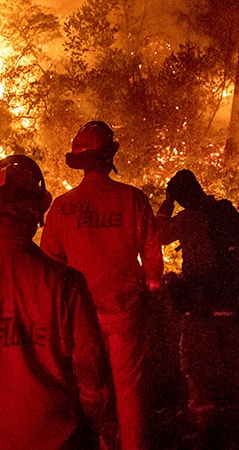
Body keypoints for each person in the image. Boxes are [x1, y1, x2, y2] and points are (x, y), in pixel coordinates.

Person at [0, 154, 117, 450]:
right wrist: (103, 425)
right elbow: (91, 366)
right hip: (61, 441)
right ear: (37, 214)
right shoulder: (66, 283)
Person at [41, 121, 163, 450]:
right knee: (130, 394)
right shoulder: (132, 199)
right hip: (126, 314)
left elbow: (48, 266)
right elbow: (153, 255)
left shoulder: (61, 208)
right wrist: (151, 290)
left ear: (79, 163)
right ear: (110, 158)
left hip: (81, 320)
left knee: (88, 394)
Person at [156, 170, 239, 448]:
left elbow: (157, 235)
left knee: (197, 362)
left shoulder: (187, 218)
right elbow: (238, 251)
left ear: (180, 197)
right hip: (232, 296)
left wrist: (166, 205)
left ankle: (207, 425)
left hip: (200, 301)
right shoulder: (226, 211)